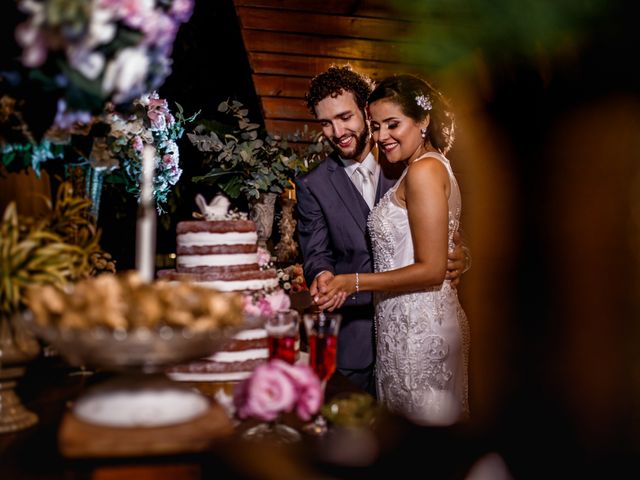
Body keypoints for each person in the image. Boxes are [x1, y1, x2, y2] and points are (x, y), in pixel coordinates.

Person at [295, 65, 468, 397]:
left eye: (345, 117)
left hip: (419, 332)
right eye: (326, 123)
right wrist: (322, 275)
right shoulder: (311, 184)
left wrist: (461, 256)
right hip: (356, 340)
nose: (337, 131)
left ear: (365, 109)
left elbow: (442, 226)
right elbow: (316, 253)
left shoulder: (406, 162)